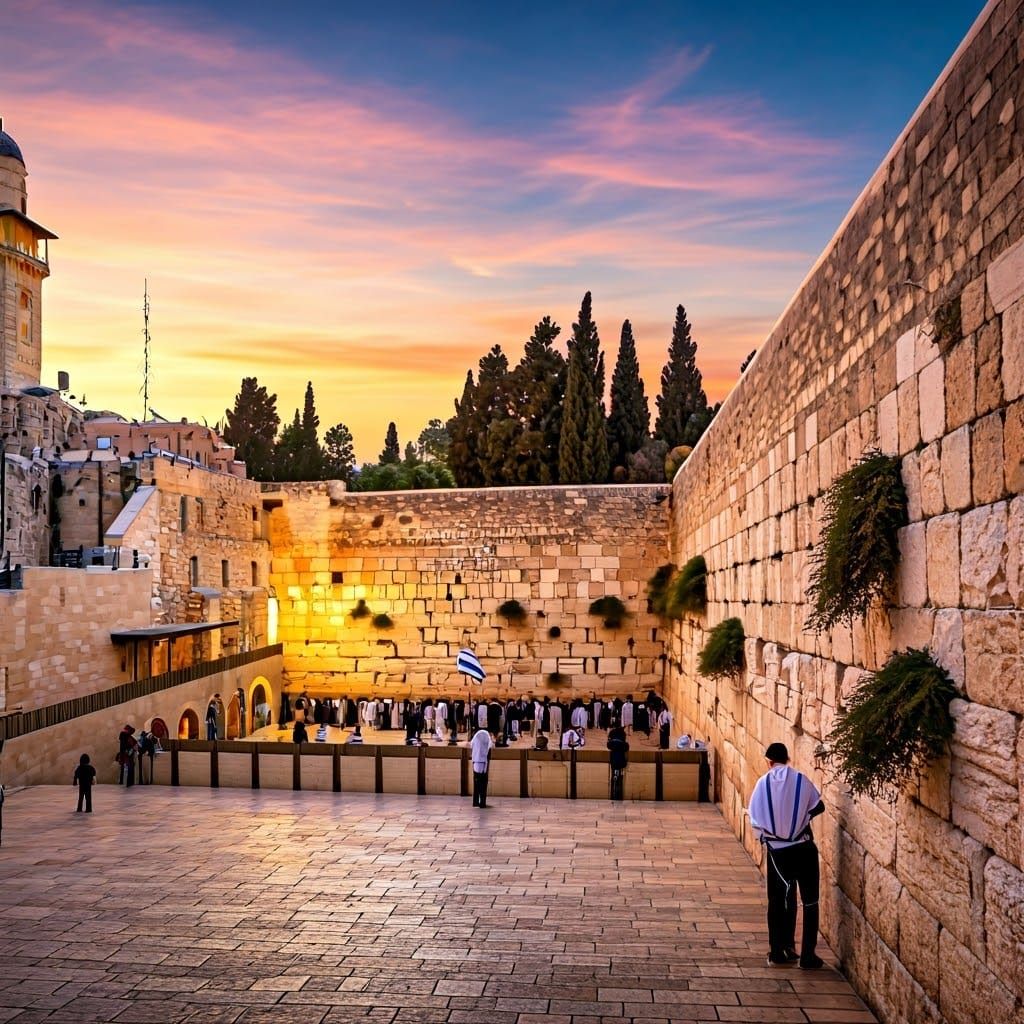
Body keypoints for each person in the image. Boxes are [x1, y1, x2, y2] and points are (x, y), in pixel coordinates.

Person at [747, 742, 825, 970]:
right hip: (804, 849)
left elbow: (755, 818)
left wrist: (775, 832)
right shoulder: (800, 778)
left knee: (778, 900)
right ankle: (808, 955)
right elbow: (818, 806)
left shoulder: (762, 783)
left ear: (769, 761)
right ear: (787, 758)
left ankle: (778, 951)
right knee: (810, 901)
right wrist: (800, 821)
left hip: (778, 853)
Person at [470, 727, 494, 808]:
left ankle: (476, 801)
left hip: (476, 760)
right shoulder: (487, 735)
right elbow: (491, 746)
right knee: (483, 782)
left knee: (476, 781)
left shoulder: (477, 735)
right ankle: (482, 802)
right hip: (484, 761)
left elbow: (471, 745)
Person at [607, 726, 629, 801]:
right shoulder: (623, 734)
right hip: (621, 761)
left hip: (613, 760)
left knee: (614, 773)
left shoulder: (611, 733)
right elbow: (626, 747)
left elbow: (608, 745)